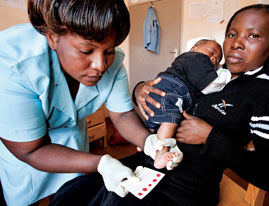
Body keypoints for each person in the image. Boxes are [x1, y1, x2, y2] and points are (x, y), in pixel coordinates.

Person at [50, 4, 269, 206]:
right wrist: (141, 89)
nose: (237, 43)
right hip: (148, 168)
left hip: (182, 192)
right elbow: (171, 83)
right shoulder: (210, 73)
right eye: (232, 34)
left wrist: (210, 137)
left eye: (253, 36)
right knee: (72, 193)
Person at [0, 0, 154, 205]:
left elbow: (122, 114)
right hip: (26, 144)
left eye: (108, 51)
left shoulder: (114, 61)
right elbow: (31, 150)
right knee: (27, 198)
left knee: (70, 194)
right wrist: (101, 163)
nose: (100, 65)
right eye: (86, 51)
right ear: (53, 38)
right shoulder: (12, 64)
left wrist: (148, 141)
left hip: (72, 138)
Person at [143, 39, 231, 170]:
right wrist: (224, 73)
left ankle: (149, 144)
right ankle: (162, 150)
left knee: (159, 123)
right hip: (171, 91)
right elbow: (211, 86)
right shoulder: (198, 58)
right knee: (170, 121)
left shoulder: (185, 62)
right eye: (211, 53)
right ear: (194, 48)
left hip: (161, 89)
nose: (213, 59)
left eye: (217, 60)